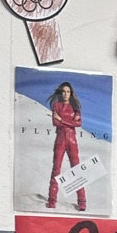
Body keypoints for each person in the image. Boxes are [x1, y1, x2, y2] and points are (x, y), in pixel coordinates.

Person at [46, 81, 86, 212]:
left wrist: (62, 120)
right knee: (56, 168)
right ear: (60, 92)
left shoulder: (75, 107)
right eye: (63, 91)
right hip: (60, 138)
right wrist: (69, 122)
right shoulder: (56, 105)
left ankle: (82, 202)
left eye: (68, 91)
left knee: (76, 169)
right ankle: (52, 201)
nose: (66, 94)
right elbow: (55, 122)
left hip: (72, 139)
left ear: (71, 93)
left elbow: (78, 123)